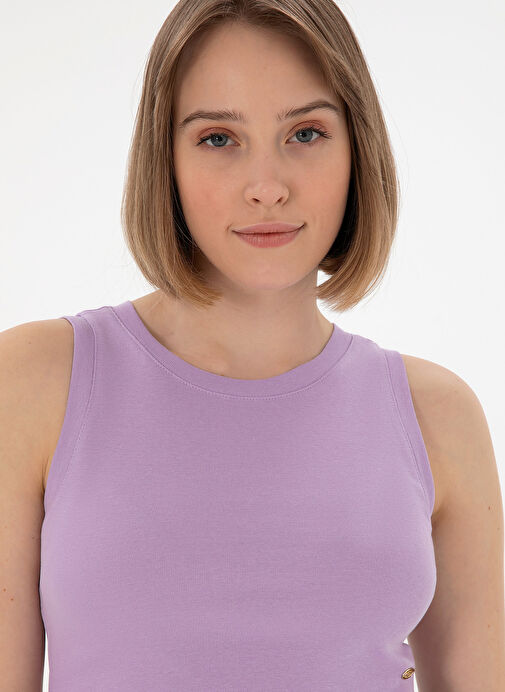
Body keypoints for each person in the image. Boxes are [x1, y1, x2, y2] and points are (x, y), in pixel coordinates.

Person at [1, 1, 504, 690]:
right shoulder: (33, 385)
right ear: (165, 160)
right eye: (218, 138)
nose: (267, 188)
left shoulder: (437, 417)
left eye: (306, 132)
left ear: (357, 149)